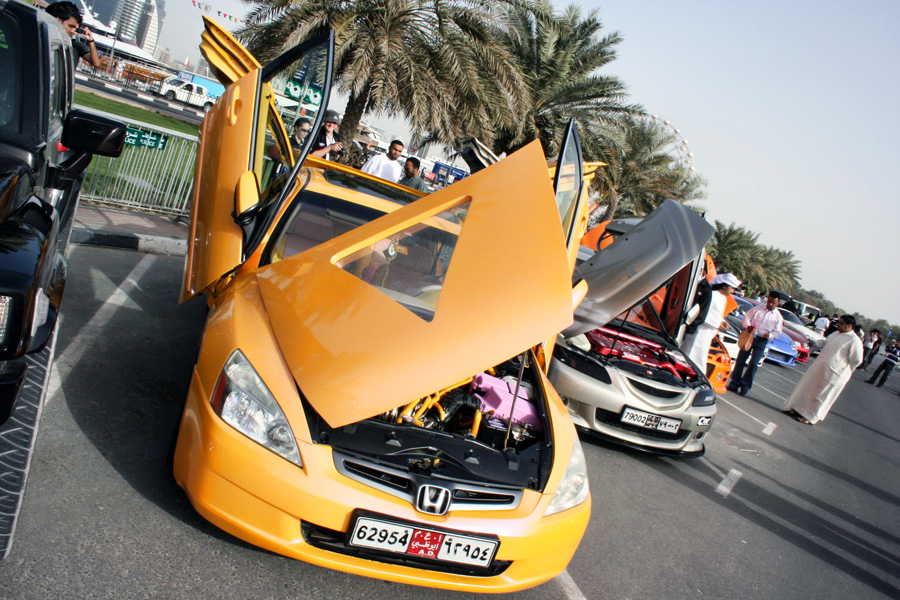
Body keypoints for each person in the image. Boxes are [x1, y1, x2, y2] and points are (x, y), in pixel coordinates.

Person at [783, 315, 864, 425]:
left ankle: (810, 417)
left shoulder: (854, 340)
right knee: (808, 389)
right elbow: (824, 343)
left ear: (849, 326)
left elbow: (857, 360)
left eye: (841, 323)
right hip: (819, 369)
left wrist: (844, 369)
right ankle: (797, 409)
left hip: (835, 375)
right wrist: (813, 343)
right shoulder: (835, 334)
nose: (838, 325)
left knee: (821, 396)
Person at [727, 291, 784, 396]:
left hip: (762, 341)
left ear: (777, 303)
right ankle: (734, 384)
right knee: (741, 360)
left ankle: (745, 387)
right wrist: (747, 326)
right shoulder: (758, 309)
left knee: (753, 364)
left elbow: (777, 332)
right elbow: (747, 317)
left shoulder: (778, 317)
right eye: (769, 301)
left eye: (773, 302)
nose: (770, 304)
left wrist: (769, 335)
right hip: (750, 337)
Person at [680, 273, 740, 369]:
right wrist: (717, 323)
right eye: (732, 288)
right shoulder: (712, 294)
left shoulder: (723, 299)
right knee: (694, 357)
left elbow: (716, 314)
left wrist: (722, 322)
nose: (733, 291)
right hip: (701, 331)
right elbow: (702, 313)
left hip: (709, 333)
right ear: (724, 286)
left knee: (696, 358)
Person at [45, 2, 101, 67]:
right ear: (57, 21)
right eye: (71, 26)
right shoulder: (44, 39)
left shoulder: (76, 46)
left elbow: (96, 63)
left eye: (76, 28)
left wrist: (91, 41)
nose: (73, 31)